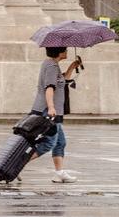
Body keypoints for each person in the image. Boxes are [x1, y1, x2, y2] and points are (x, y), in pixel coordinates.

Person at [29, 46, 82, 183]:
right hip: (49, 110)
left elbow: (61, 82)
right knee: (49, 143)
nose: (67, 52)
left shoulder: (52, 64)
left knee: (60, 142)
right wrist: (51, 107)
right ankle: (17, 164)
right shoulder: (51, 66)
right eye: (65, 50)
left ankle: (59, 173)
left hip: (54, 110)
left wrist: (72, 66)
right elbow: (50, 88)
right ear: (60, 52)